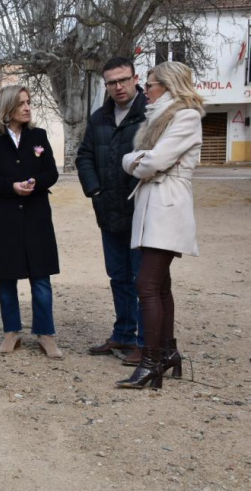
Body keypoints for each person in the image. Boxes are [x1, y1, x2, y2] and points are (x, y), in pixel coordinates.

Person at [117, 61, 203, 389]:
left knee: (147, 285)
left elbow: (151, 161)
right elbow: (138, 159)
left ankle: (152, 361)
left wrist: (140, 161)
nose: (145, 90)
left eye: (150, 85)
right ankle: (167, 352)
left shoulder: (185, 116)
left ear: (168, 86)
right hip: (155, 204)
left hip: (167, 206)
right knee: (160, 284)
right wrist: (139, 161)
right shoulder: (158, 119)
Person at [0, 85, 62, 359]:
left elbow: (51, 173)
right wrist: (10, 186)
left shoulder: (39, 136)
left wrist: (36, 183)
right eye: (21, 103)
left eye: (28, 102)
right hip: (4, 218)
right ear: (7, 108)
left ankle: (46, 334)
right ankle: (11, 331)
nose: (27, 108)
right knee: (6, 277)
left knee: (41, 277)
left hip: (36, 215)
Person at [75, 57, 146, 362]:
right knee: (118, 276)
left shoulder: (150, 114)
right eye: (112, 82)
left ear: (135, 78)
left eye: (123, 80)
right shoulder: (99, 118)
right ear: (105, 84)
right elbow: (84, 156)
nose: (118, 87)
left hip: (142, 209)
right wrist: (95, 190)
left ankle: (145, 341)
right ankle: (123, 335)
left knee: (143, 280)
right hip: (108, 210)